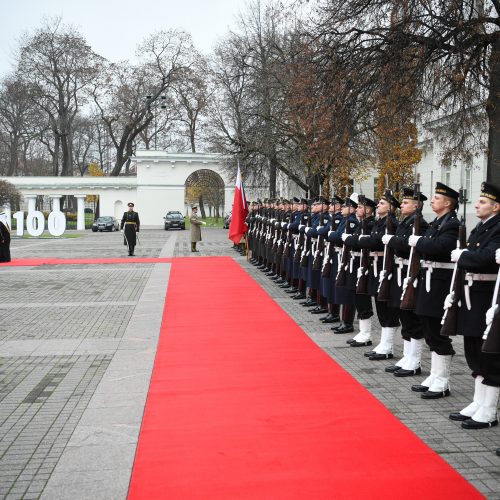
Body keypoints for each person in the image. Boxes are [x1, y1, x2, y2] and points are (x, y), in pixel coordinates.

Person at [447, 182, 500, 429]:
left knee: (487, 353)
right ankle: (478, 401)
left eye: (483, 202)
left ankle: (489, 410)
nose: (477, 205)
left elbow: (487, 259)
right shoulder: (481, 227)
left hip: (485, 296)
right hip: (472, 295)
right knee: (473, 350)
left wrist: (464, 256)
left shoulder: (497, 229)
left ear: (496, 207)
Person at [409, 182, 459, 399]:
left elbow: (441, 247)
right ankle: (435, 375)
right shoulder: (438, 223)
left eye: (437, 199)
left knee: (438, 331)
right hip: (428, 279)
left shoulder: (452, 224)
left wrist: (419, 242)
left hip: (439, 282)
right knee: (428, 327)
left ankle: (443, 380)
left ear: (447, 203)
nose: (432, 201)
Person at [382, 188, 429, 376]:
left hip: (411, 272)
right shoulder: (405, 222)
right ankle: (407, 356)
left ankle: (415, 359)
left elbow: (406, 244)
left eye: (406, 203)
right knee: (404, 315)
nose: (401, 205)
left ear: (416, 206)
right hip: (400, 270)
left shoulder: (420, 225)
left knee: (411, 317)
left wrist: (392, 240)